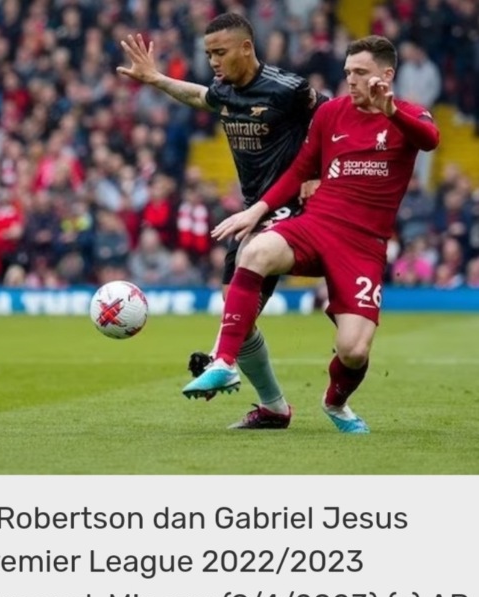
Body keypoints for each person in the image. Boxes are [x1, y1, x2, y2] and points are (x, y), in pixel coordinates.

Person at [182, 36, 440, 433]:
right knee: (255, 251)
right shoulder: (330, 113)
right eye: (348, 72)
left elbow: (430, 140)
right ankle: (225, 362)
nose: (351, 80)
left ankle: (335, 403)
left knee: (353, 351)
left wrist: (390, 111)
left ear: (386, 75)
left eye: (361, 72)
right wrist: (257, 210)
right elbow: (301, 169)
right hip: (316, 225)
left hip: (363, 245)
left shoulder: (409, 114)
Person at [117, 13, 326, 429]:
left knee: (240, 300)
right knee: (238, 315)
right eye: (208, 53)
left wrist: (317, 172)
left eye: (220, 52)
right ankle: (273, 407)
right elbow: (201, 98)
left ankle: (222, 361)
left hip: (291, 208)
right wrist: (155, 79)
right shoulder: (225, 89)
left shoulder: (289, 88)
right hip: (253, 211)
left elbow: (334, 119)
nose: (212, 61)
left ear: (246, 48)